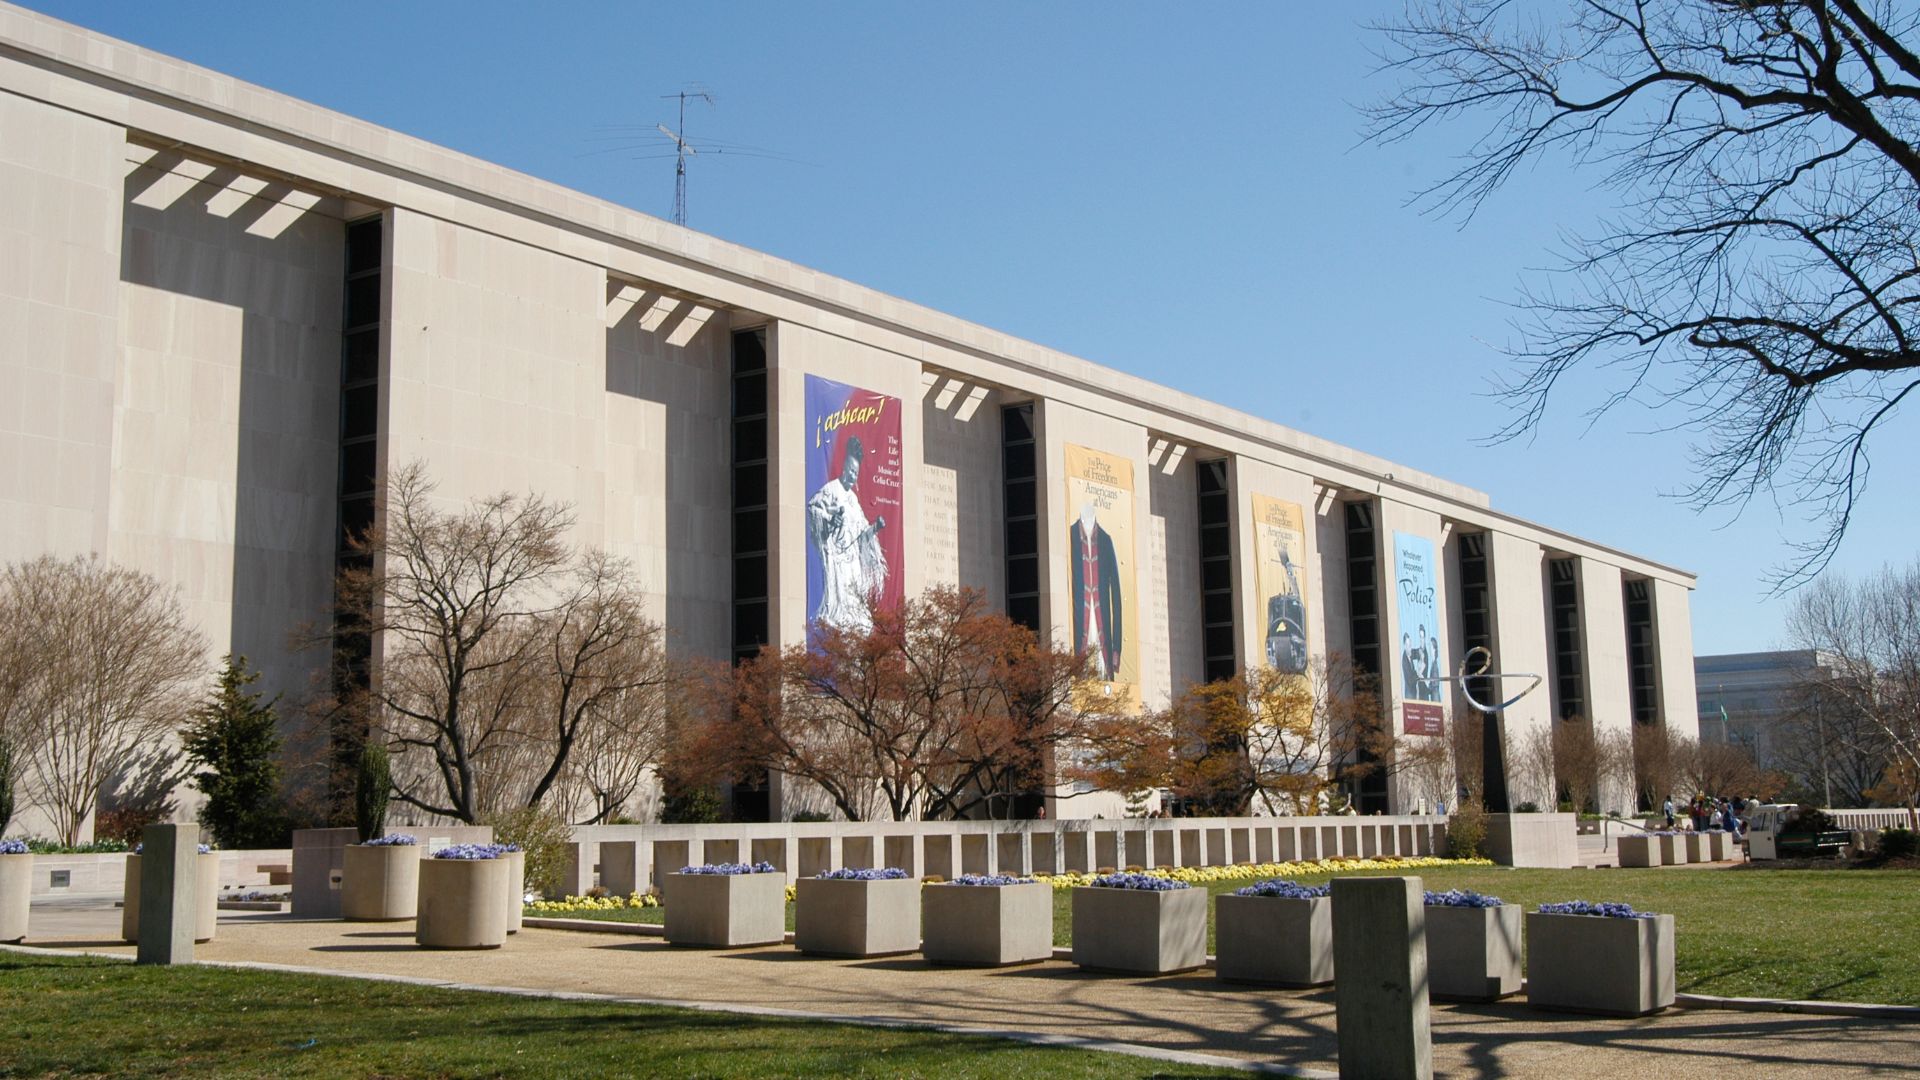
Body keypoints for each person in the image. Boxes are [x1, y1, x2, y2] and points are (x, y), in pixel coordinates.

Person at [806, 435, 887, 631]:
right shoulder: (831, 490)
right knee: (840, 615)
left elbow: (861, 535)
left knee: (858, 618)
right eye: (850, 470)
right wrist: (830, 520)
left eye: (856, 473)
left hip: (853, 565)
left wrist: (874, 527)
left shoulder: (853, 499)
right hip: (837, 561)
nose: (852, 475)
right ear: (844, 467)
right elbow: (813, 509)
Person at [1068, 500, 1124, 681]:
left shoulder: (1106, 540)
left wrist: (1116, 648)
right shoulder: (1070, 536)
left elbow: (1116, 594)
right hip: (1078, 623)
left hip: (1102, 624)